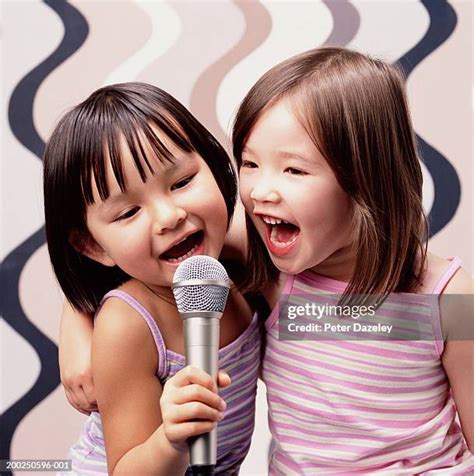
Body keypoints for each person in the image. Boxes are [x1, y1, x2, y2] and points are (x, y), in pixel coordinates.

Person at [232, 47, 474, 473]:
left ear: (367, 179)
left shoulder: (446, 297)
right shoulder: (272, 272)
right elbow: (140, 255)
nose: (260, 191)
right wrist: (80, 329)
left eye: (294, 171)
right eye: (250, 163)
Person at [44, 82, 261, 475]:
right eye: (128, 213)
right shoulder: (128, 325)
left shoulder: (237, 261)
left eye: (181, 182)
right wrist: (170, 440)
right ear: (94, 246)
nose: (169, 216)